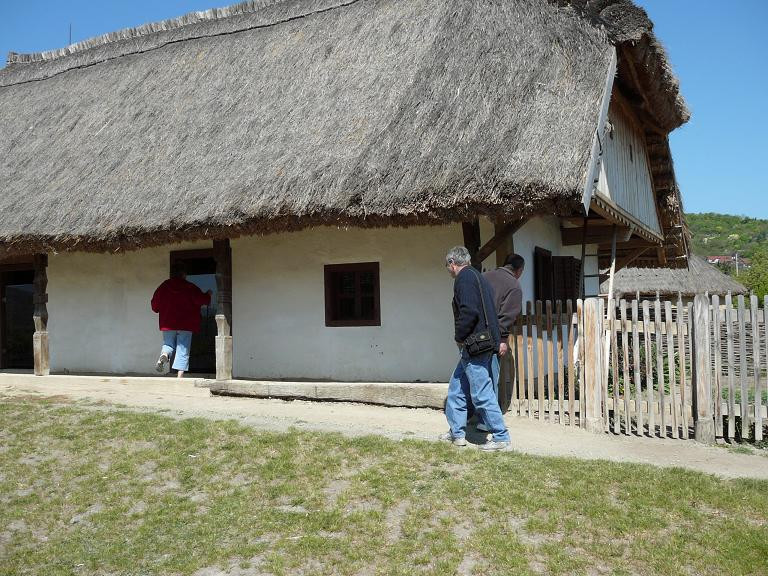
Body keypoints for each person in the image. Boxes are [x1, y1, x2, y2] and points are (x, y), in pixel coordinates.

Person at [440, 246, 511, 451]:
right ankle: (457, 433)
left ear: (453, 263)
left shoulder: (464, 279)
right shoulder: (480, 278)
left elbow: (469, 312)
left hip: (473, 346)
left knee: (481, 394)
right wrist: (497, 341)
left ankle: (502, 437)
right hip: (484, 344)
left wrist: (459, 337)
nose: (449, 271)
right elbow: (491, 314)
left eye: (448, 267)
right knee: (457, 389)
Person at [476, 253, 525, 431]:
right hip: (492, 338)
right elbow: (506, 317)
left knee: (474, 377)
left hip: (473, 336)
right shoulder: (514, 286)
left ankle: (468, 416)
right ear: (519, 270)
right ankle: (487, 422)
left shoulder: (483, 277)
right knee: (490, 377)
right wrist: (502, 339)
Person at [151, 262, 212, 378]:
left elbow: (154, 306)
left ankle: (164, 354)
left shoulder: (164, 286)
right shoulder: (190, 287)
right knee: (183, 348)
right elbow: (202, 300)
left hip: (168, 323)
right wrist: (208, 295)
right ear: (184, 274)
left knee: (168, 344)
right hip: (186, 324)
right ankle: (179, 376)